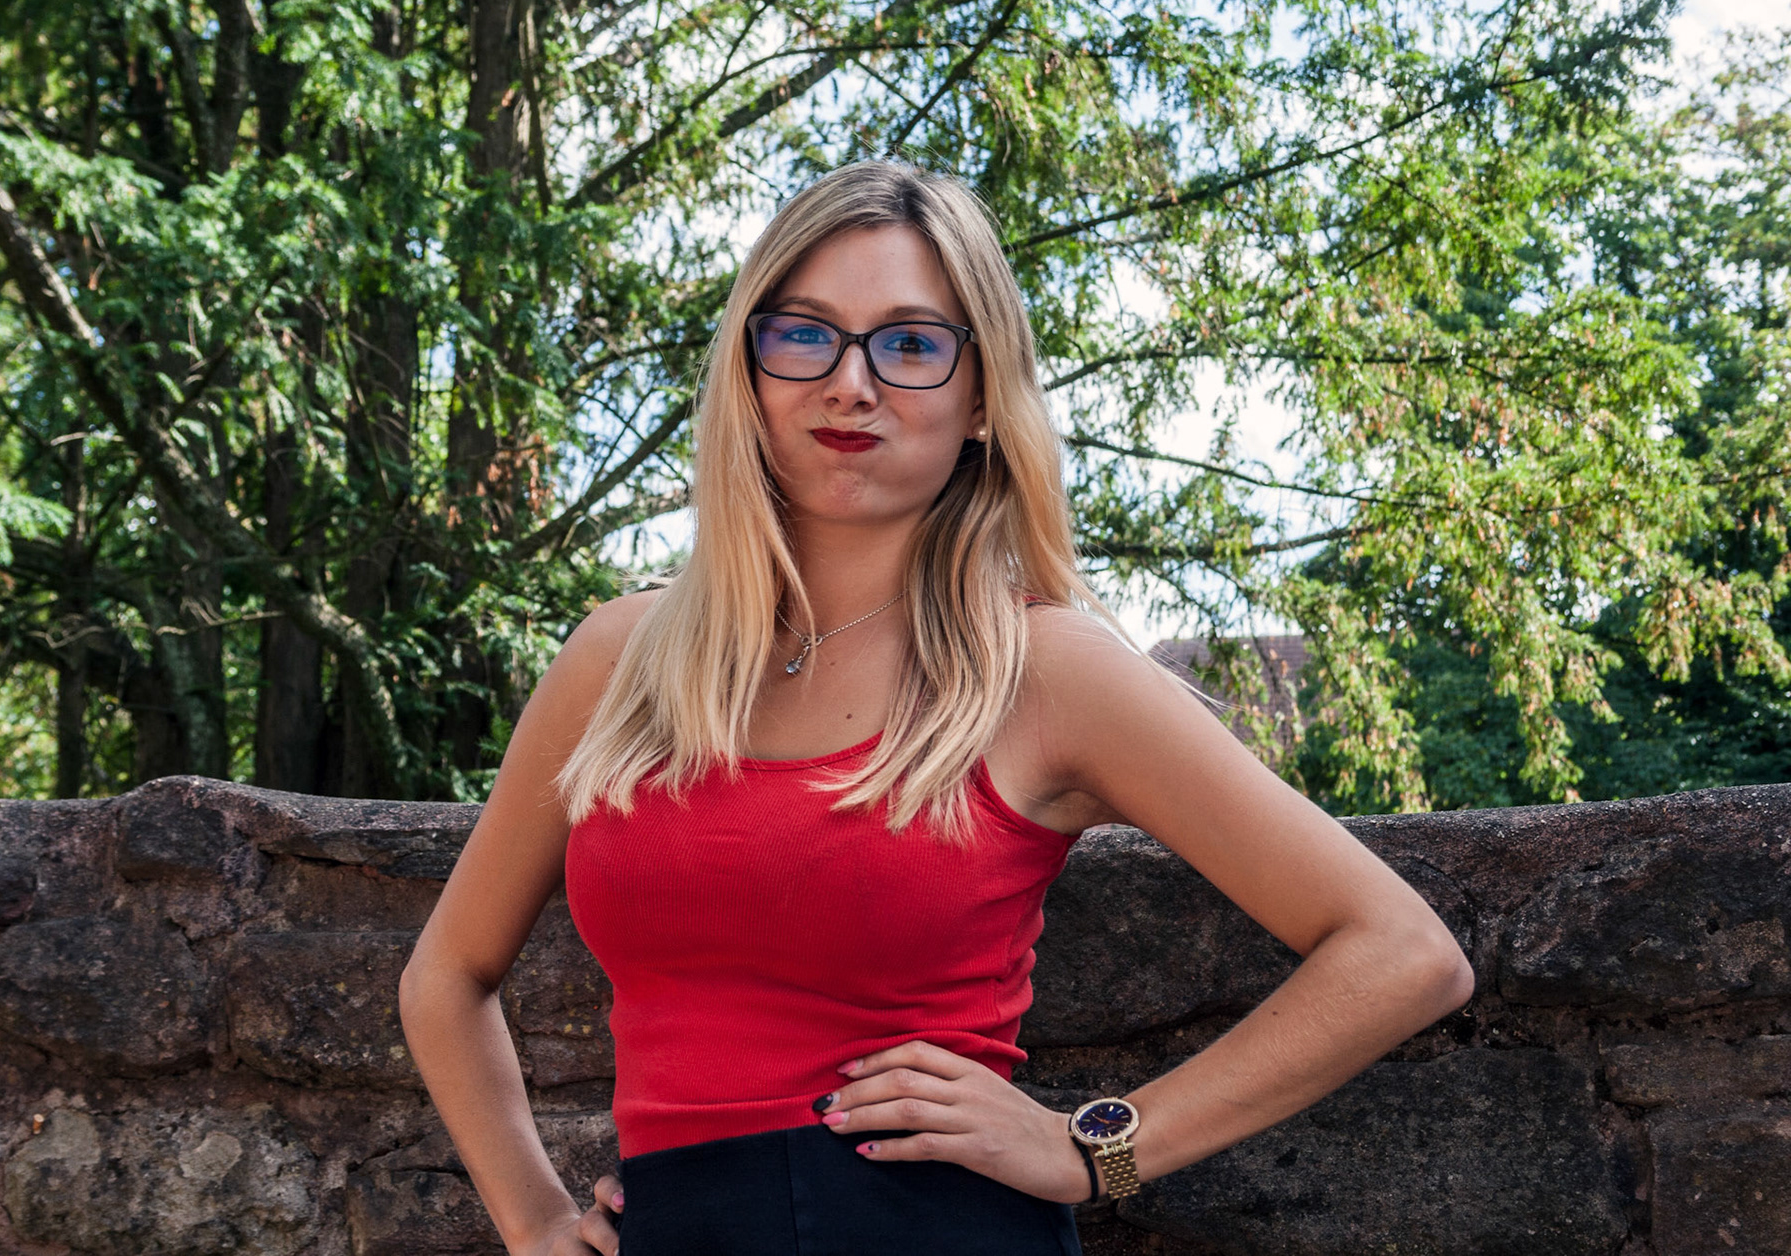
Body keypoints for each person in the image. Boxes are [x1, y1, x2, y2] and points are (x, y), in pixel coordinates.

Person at [398, 160, 1475, 1256]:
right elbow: (446, 976)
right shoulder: (620, 661)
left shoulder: (1044, 669)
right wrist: (533, 1218)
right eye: (804, 334)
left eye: (911, 345)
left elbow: (1401, 950)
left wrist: (1090, 1147)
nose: (849, 383)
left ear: (982, 397)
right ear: (749, 372)